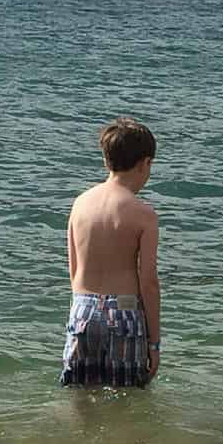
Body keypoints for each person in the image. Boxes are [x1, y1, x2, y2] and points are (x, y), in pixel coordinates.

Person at [62, 117, 160, 387]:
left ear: (106, 161)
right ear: (146, 163)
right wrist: (155, 344)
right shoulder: (144, 215)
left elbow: (74, 269)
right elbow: (149, 283)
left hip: (82, 308)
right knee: (128, 397)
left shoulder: (80, 204)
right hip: (124, 312)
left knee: (80, 393)